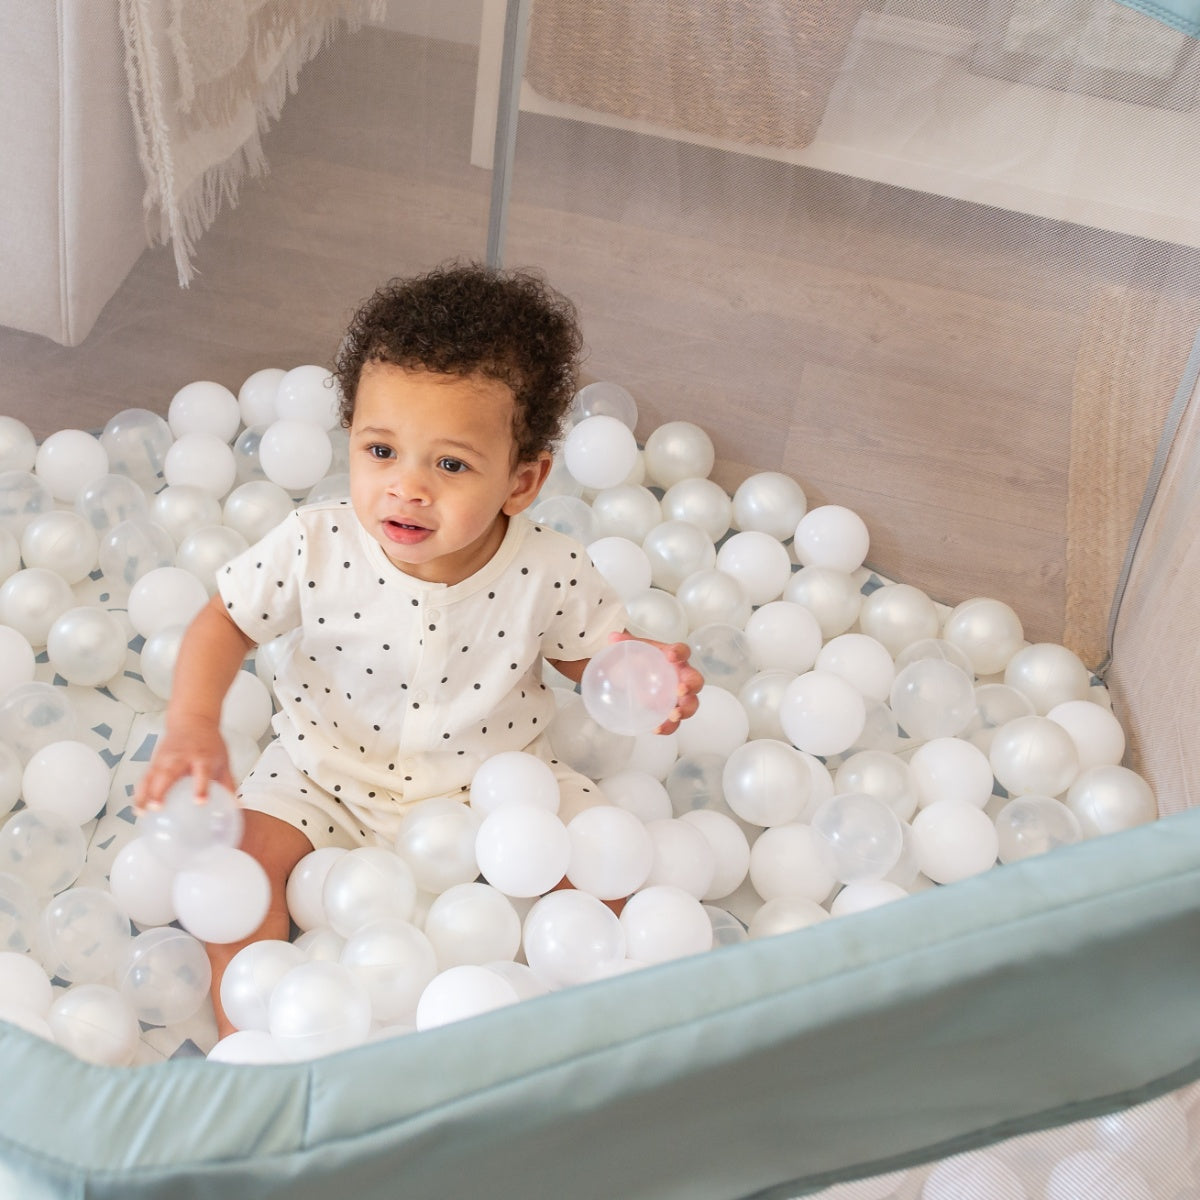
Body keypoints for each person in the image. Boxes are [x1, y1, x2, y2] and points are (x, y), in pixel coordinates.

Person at [135, 262, 703, 1037]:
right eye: (379, 451)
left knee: (608, 872)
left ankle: (583, 1037)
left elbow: (590, 656)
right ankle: (256, 1051)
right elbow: (223, 622)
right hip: (321, 773)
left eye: (450, 464)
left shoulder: (550, 568)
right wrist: (194, 721)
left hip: (495, 786)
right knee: (238, 878)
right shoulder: (316, 544)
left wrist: (645, 677)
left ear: (522, 481)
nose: (406, 488)